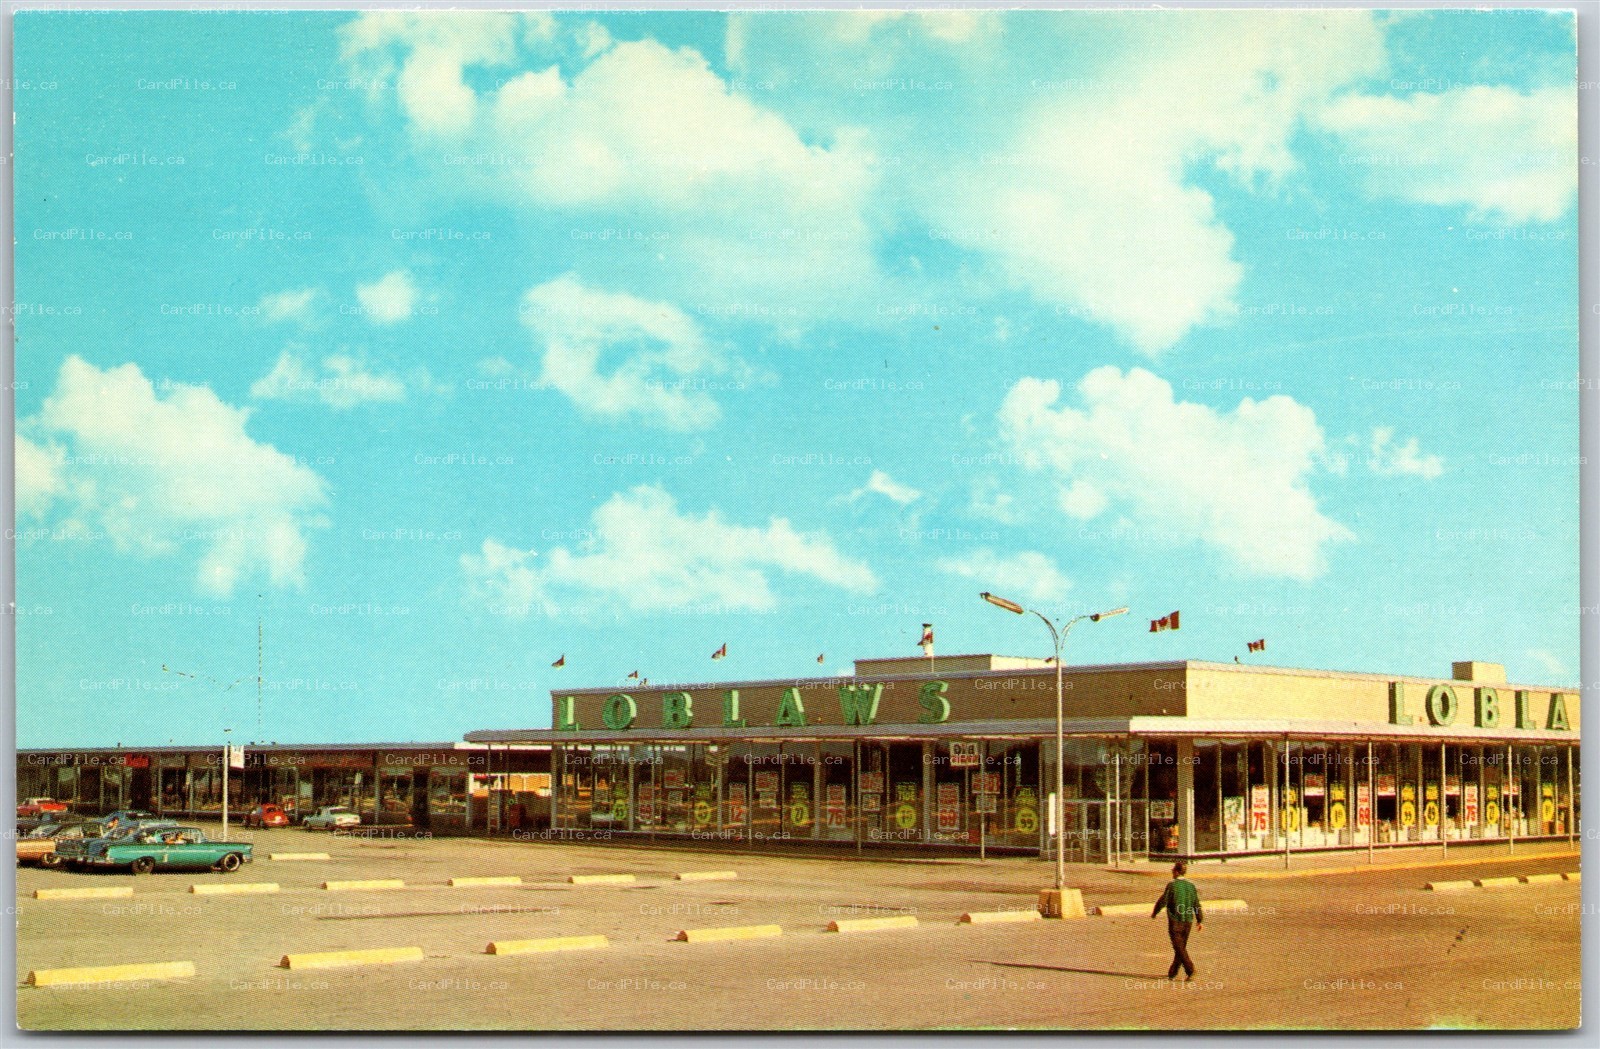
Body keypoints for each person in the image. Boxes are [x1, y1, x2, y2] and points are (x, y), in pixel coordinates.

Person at [1151, 861, 1204, 981]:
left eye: (1173, 870)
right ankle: (1172, 973)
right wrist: (1199, 920)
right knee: (1181, 947)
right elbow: (1196, 904)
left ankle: (1190, 970)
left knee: (1179, 948)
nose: (1172, 872)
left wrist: (1155, 912)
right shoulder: (1191, 886)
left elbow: (1163, 900)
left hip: (1175, 922)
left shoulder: (1172, 885)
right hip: (1188, 922)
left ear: (1176, 871)